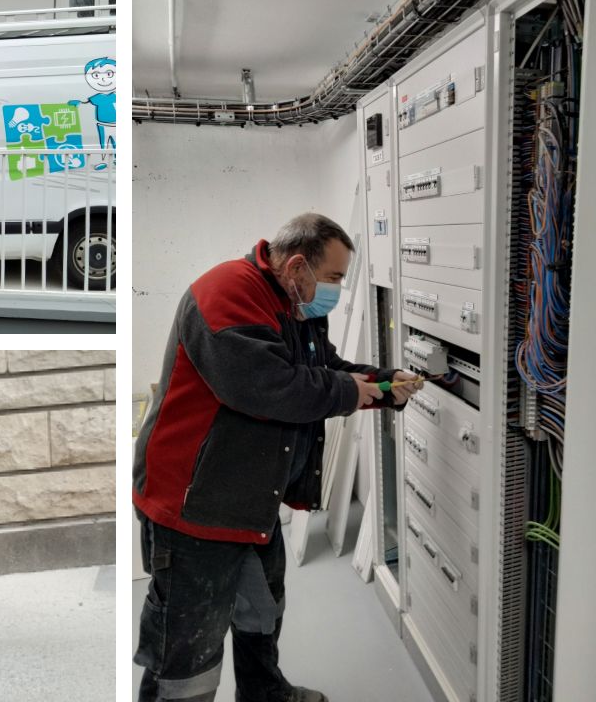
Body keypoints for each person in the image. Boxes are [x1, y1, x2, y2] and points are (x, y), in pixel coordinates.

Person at [132, 213, 424, 702]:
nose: (335, 290)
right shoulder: (226, 291)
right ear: (296, 266)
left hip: (251, 498)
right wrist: (351, 393)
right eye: (332, 278)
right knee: (187, 647)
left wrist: (383, 382)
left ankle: (265, 695)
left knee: (262, 612)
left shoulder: (297, 305)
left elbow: (324, 370)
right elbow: (269, 387)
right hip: (194, 505)